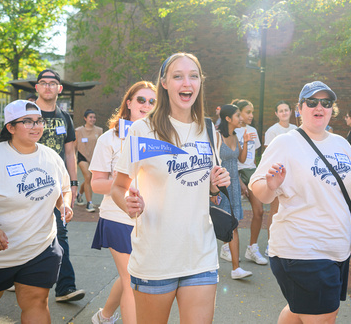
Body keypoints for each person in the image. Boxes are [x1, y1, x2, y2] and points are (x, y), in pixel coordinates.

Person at [250, 81, 351, 324]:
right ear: (300, 108)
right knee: (324, 316)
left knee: (299, 311)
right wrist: (271, 185)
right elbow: (260, 192)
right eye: (312, 102)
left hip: (337, 251)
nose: (319, 106)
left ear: (332, 109)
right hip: (302, 250)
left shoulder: (340, 143)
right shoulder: (286, 143)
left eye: (326, 103)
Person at [109, 53, 230, 323]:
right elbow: (118, 186)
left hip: (201, 255)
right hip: (156, 257)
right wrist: (127, 203)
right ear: (164, 83)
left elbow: (208, 193)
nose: (186, 83)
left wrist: (214, 186)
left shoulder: (210, 131)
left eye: (193, 76)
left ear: (200, 82)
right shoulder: (142, 130)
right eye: (178, 76)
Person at [0, 100, 73, 323]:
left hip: (39, 247)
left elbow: (63, 188)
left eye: (39, 121)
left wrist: (65, 205)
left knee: (36, 300)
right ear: (10, 127)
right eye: (27, 122)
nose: (36, 126)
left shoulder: (50, 156)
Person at [89, 81, 156, 324]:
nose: (146, 105)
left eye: (152, 101)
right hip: (118, 217)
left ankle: (104, 316)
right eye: (141, 100)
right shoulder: (109, 138)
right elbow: (97, 184)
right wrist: (124, 184)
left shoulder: (160, 137)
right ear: (128, 103)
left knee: (131, 273)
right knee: (132, 280)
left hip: (150, 218)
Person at [34, 68, 85, 302]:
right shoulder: (26, 113)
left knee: (60, 234)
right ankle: (13, 274)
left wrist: (73, 184)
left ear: (59, 88)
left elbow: (70, 152)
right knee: (20, 230)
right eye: (43, 83)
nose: (47, 87)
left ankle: (65, 287)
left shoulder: (65, 117)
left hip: (56, 187)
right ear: (37, 87)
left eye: (52, 83)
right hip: (27, 185)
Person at [228, 98, 267, 266]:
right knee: (233, 214)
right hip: (235, 172)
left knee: (259, 211)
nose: (251, 115)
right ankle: (226, 246)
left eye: (252, 112)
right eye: (248, 112)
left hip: (251, 171)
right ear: (239, 113)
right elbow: (230, 159)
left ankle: (252, 248)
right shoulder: (232, 131)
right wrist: (239, 181)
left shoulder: (253, 130)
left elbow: (253, 157)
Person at [216, 104, 252, 279]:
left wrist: (245, 142)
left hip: (234, 186)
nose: (241, 118)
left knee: (233, 225)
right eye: (238, 115)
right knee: (218, 224)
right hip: (219, 186)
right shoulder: (216, 136)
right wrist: (213, 189)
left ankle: (236, 268)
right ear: (228, 118)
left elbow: (241, 159)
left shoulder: (235, 135)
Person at [263, 100, 297, 255]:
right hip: (278, 175)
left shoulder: (296, 130)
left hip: (294, 175)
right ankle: (271, 244)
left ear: (290, 111)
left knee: (292, 209)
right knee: (275, 210)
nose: (284, 113)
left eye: (286, 110)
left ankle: (289, 243)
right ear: (276, 114)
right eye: (280, 110)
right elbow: (269, 155)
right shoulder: (272, 131)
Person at [75, 109, 103, 212]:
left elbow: (101, 146)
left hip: (94, 158)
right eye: (90, 117)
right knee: (88, 176)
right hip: (82, 157)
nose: (93, 119)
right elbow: (74, 146)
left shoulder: (99, 130)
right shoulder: (79, 131)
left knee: (89, 179)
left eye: (94, 117)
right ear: (85, 118)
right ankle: (89, 203)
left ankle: (80, 194)